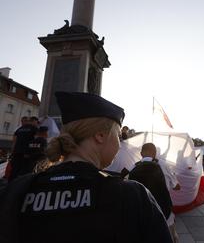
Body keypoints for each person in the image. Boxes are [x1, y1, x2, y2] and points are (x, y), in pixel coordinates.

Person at [0, 92, 172, 243]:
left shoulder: (16, 190)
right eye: (118, 136)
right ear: (100, 135)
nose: (120, 144)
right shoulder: (132, 195)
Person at [129, 143, 178, 243]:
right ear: (155, 153)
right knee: (171, 237)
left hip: (142, 216)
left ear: (141, 153)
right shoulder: (164, 165)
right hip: (165, 214)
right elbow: (176, 186)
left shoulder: (133, 167)